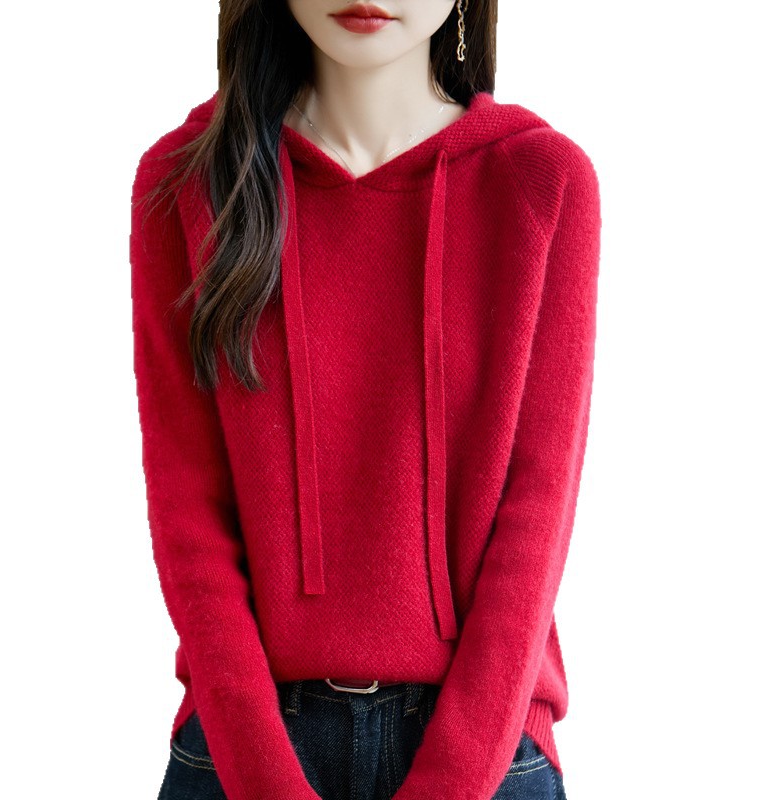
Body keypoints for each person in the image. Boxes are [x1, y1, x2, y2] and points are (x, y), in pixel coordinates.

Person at [129, 1, 601, 799]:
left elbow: (536, 518)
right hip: (244, 750)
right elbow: (188, 515)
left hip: (485, 755)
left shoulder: (541, 180)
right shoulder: (188, 180)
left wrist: (451, 783)